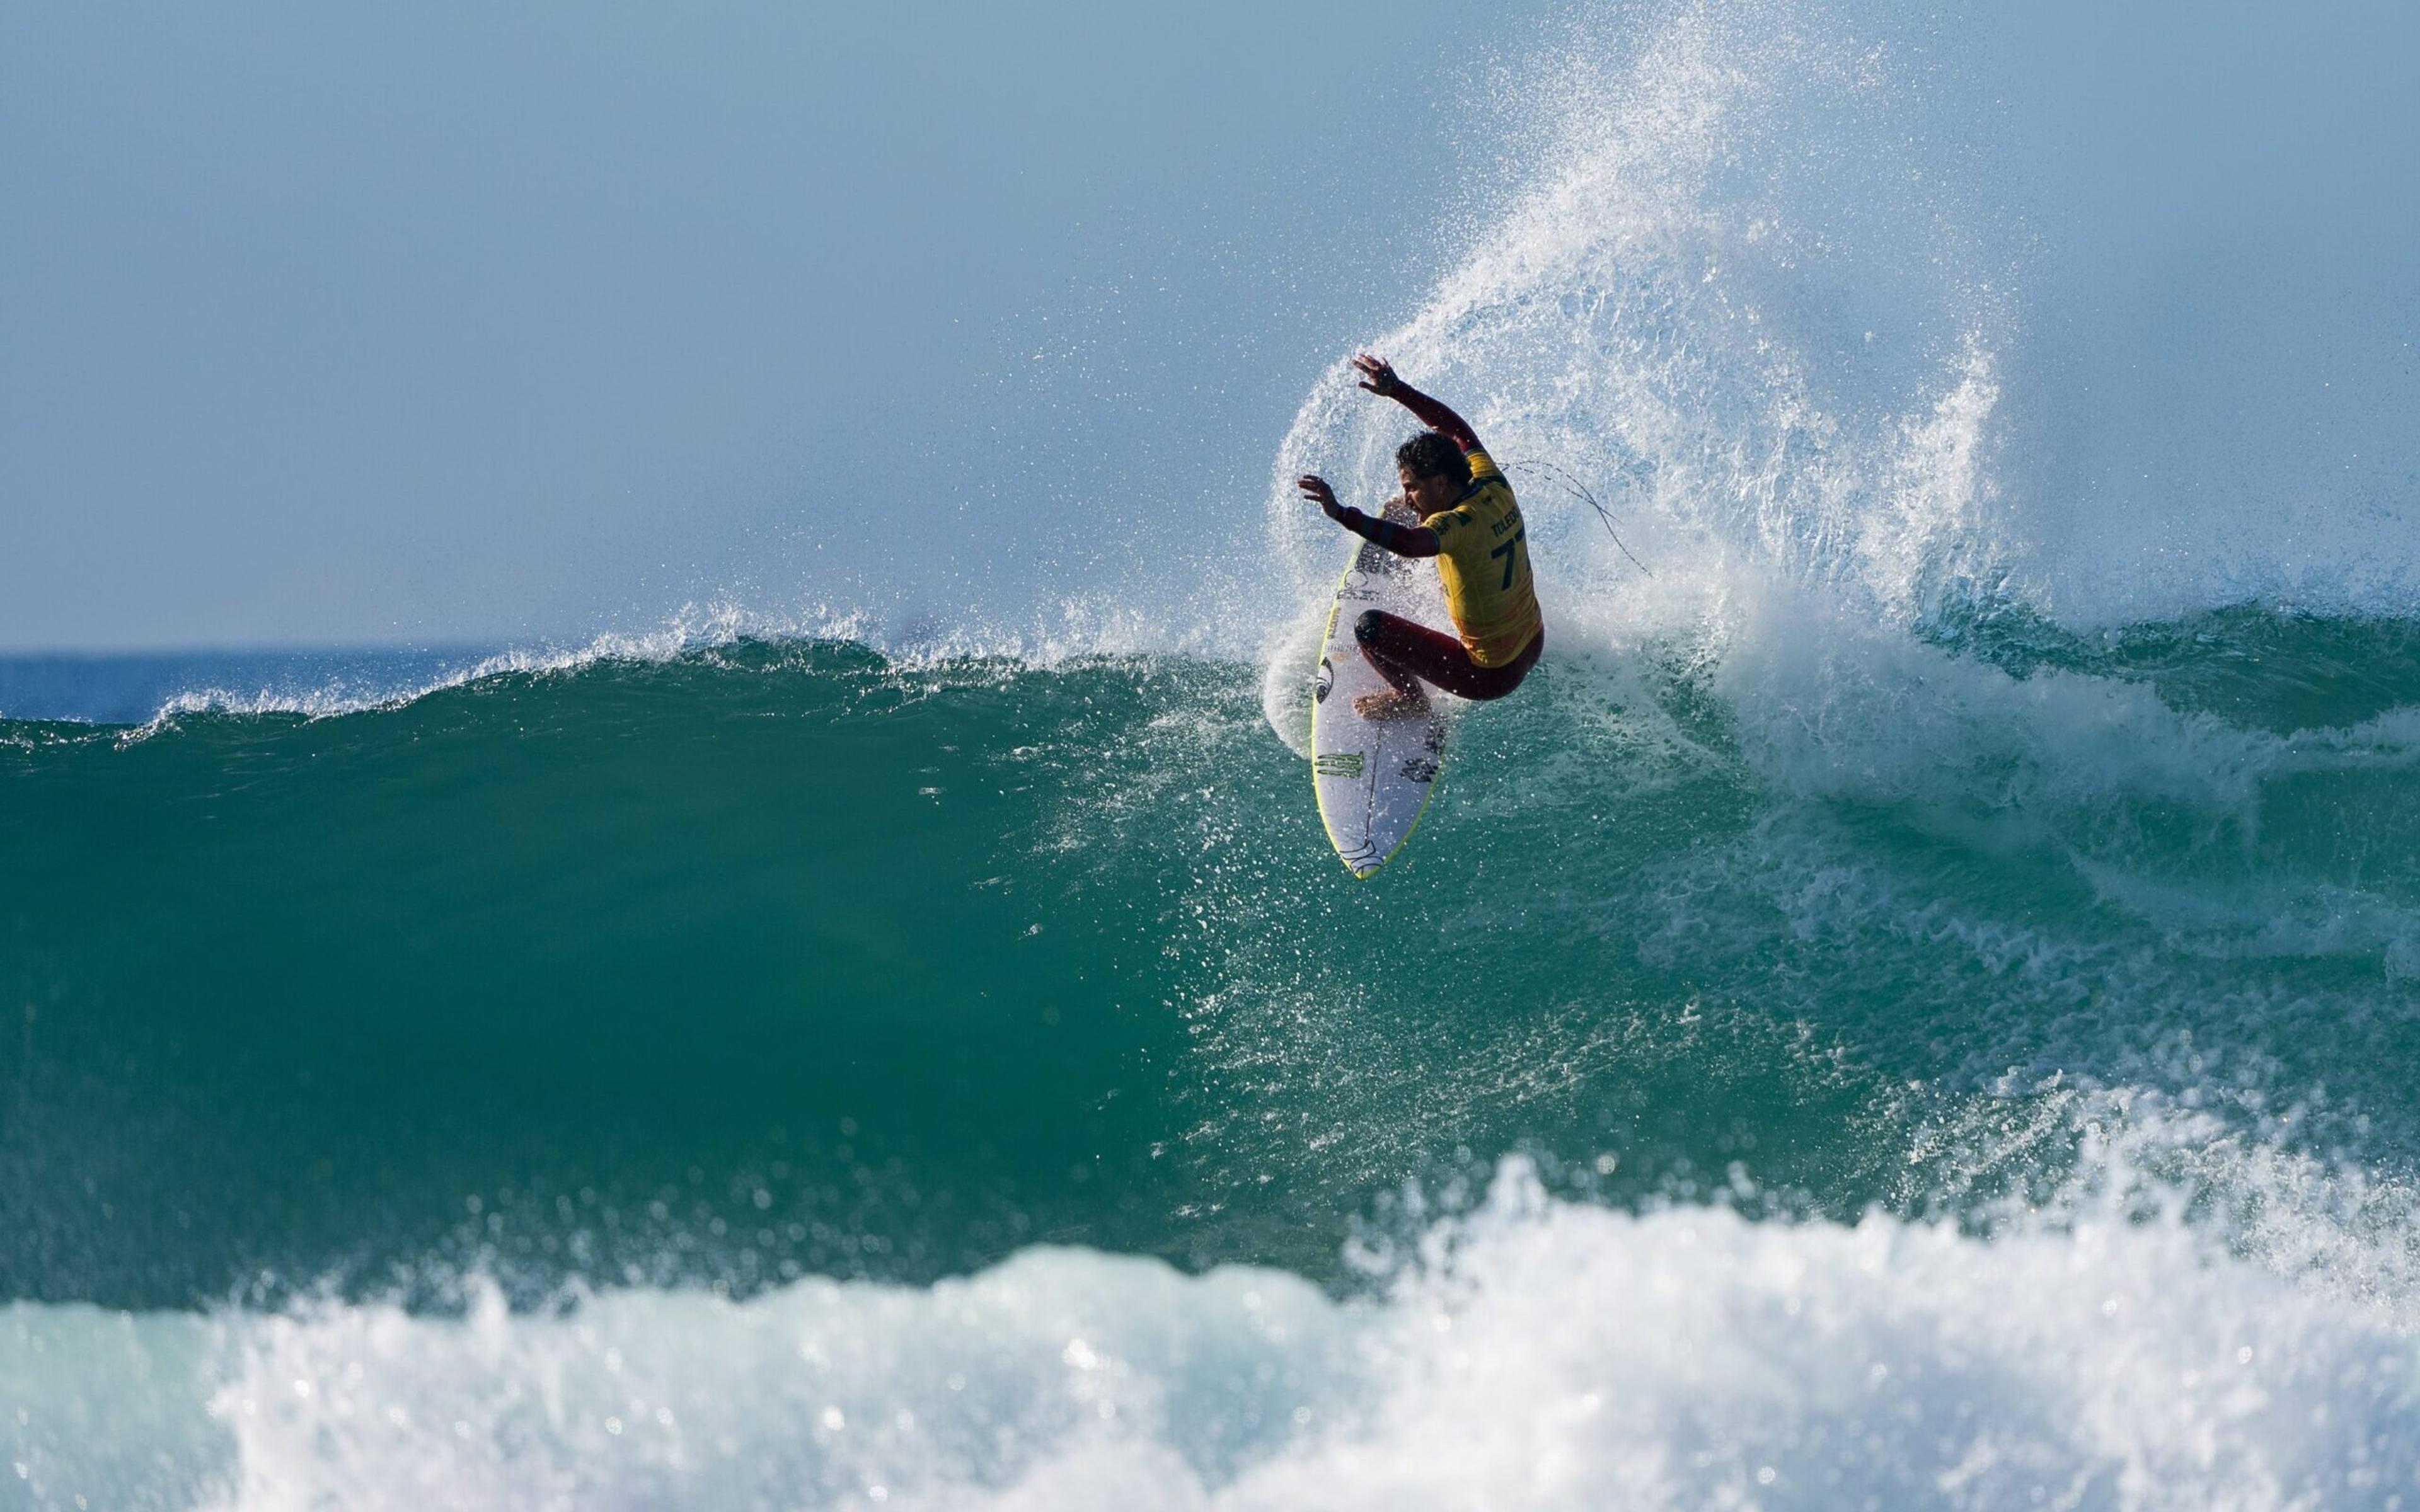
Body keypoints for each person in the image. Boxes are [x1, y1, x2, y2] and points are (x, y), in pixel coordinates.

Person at [1298, 355, 1544, 718]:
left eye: (1413, 488)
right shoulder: (1491, 480)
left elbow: (1411, 545)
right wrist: (1398, 390)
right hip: (1534, 641)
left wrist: (1341, 514)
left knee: (1369, 628)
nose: (1409, 496)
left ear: (1442, 483)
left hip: (1489, 676)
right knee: (1449, 544)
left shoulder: (1458, 525)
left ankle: (1410, 699)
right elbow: (1456, 430)